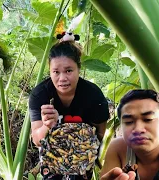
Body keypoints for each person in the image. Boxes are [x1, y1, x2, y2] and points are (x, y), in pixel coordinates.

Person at [29, 39, 110, 179]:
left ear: (79, 69)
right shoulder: (41, 95)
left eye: (68, 71)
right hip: (53, 154)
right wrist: (47, 126)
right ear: (50, 71)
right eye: (56, 72)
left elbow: (100, 134)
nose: (62, 78)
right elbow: (37, 140)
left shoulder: (93, 95)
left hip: (82, 153)